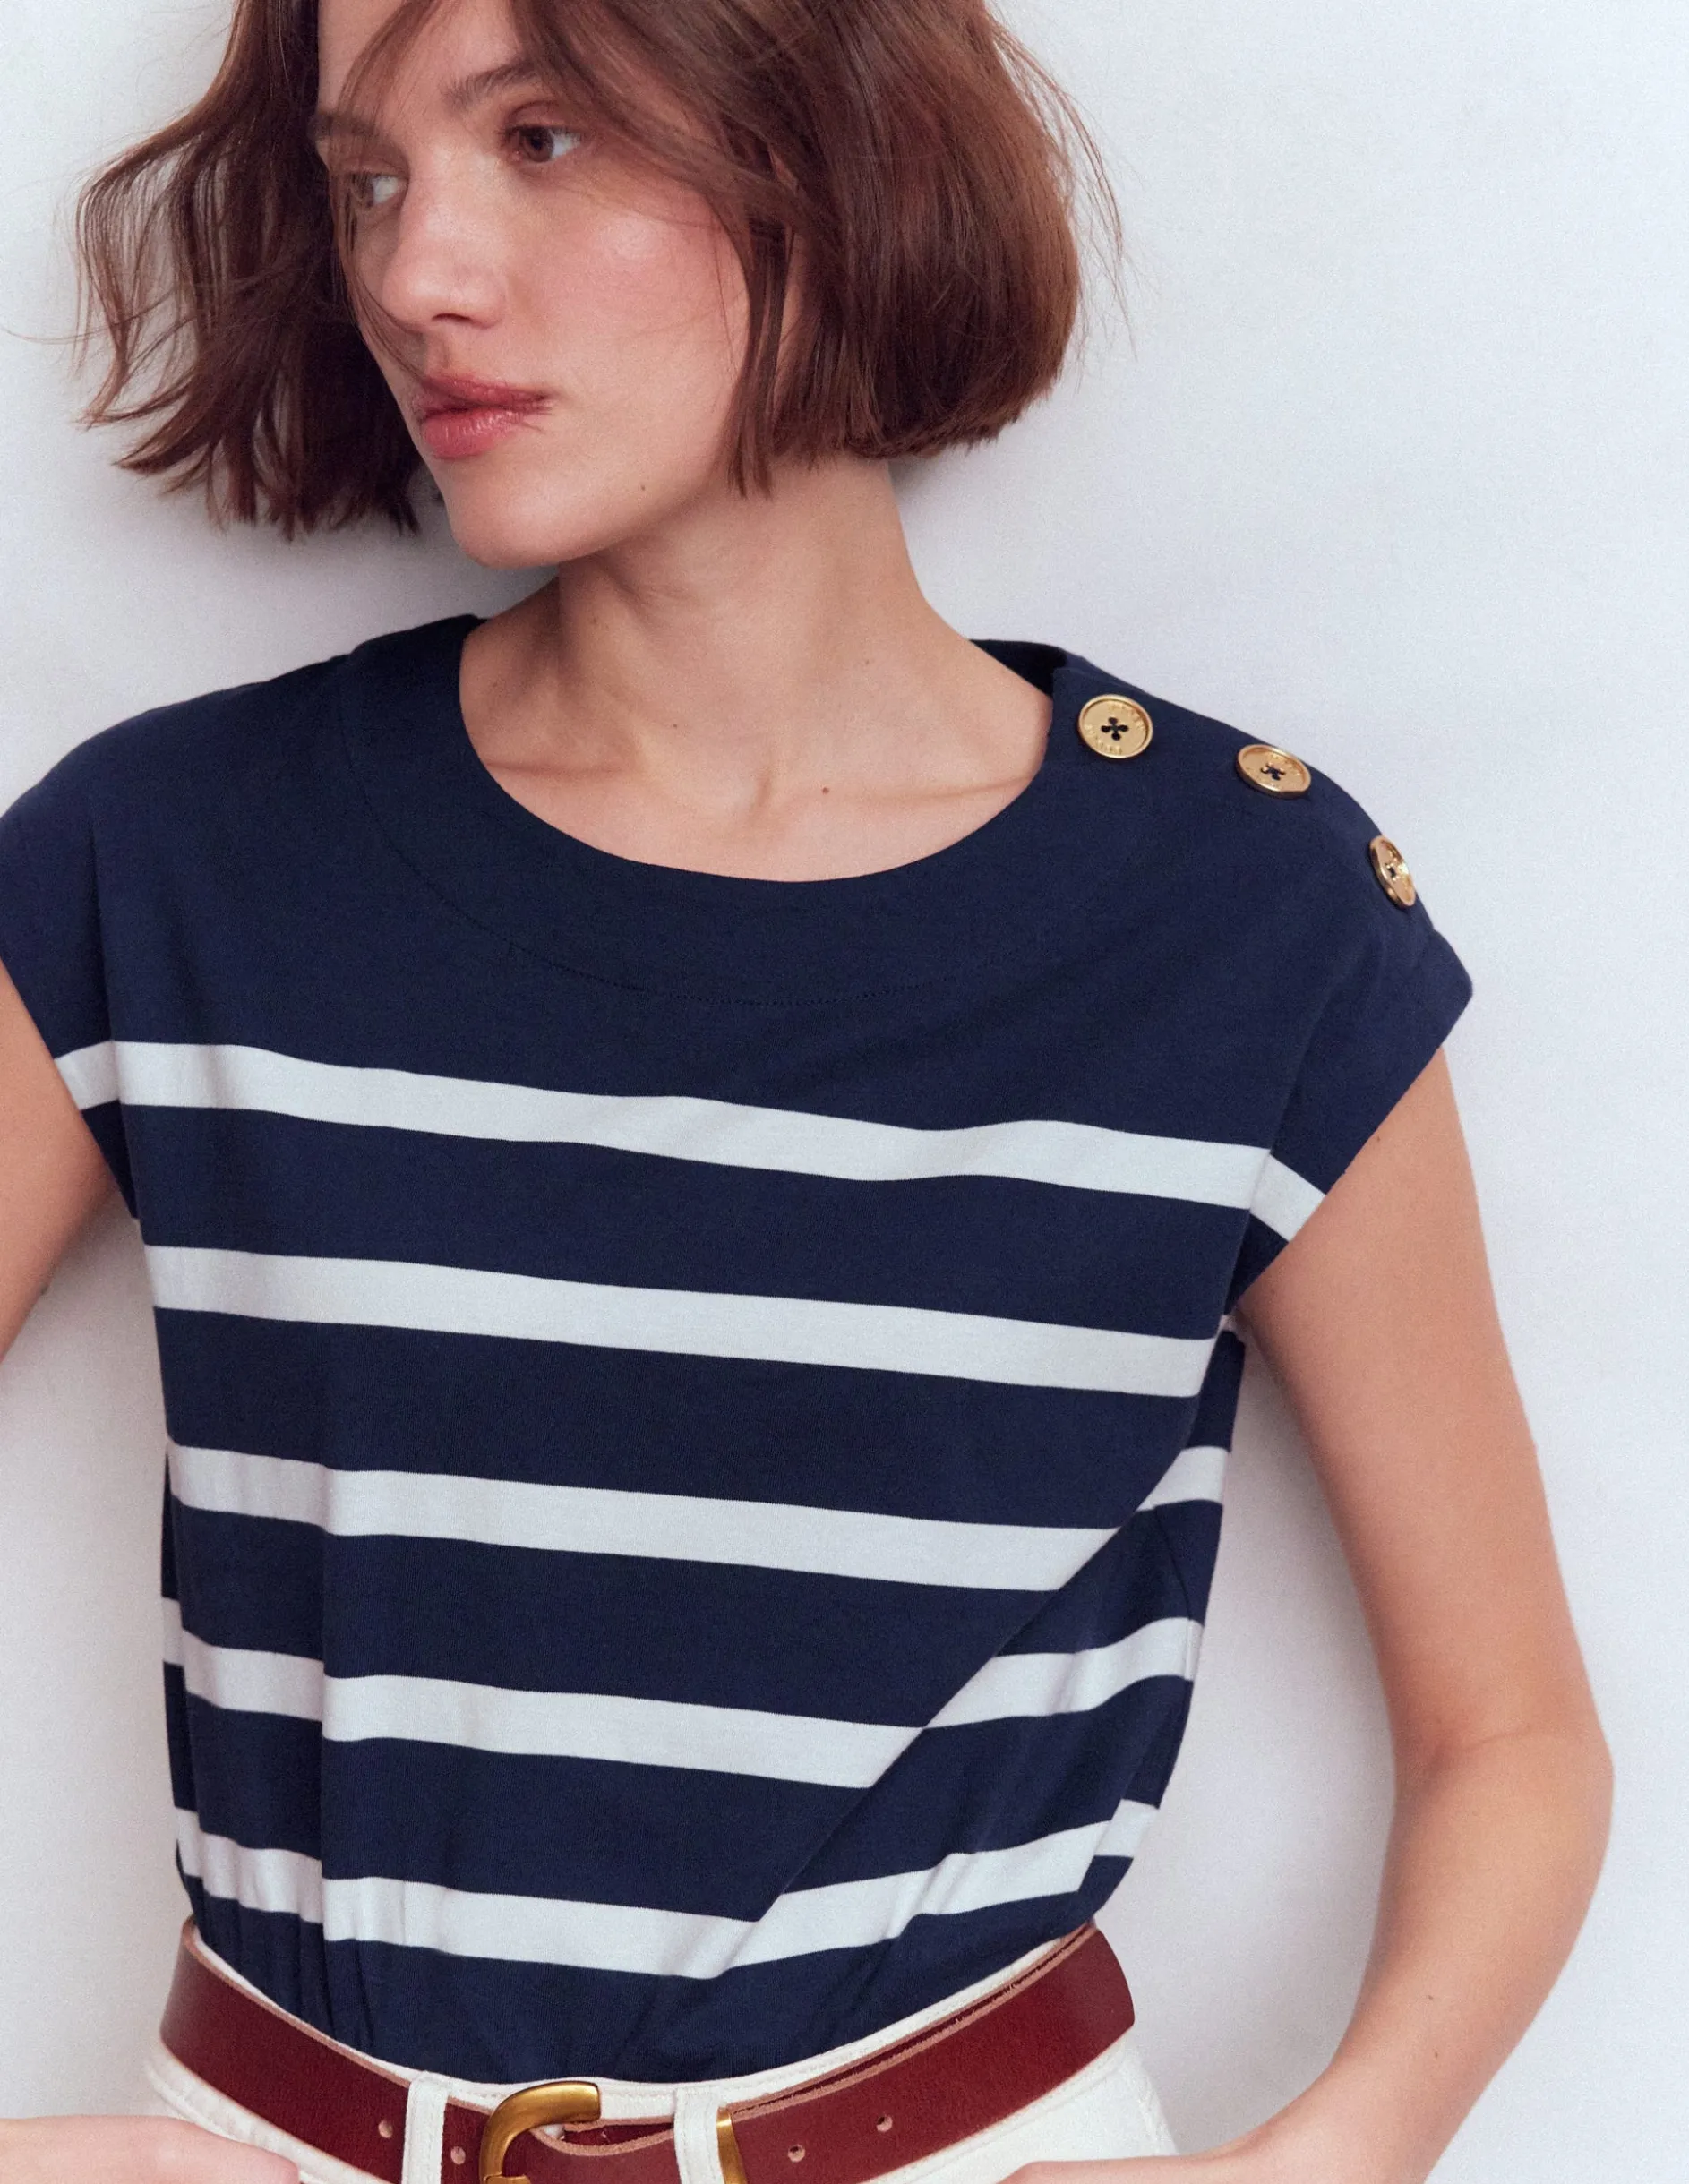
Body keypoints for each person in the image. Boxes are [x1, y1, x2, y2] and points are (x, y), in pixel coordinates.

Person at [0, 2, 1611, 2182]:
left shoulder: (1245, 920)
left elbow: (1510, 1732)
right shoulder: (168, 863)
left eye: (540, 139)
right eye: (366, 177)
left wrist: (1337, 2154)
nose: (416, 269)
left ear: (838, 144)